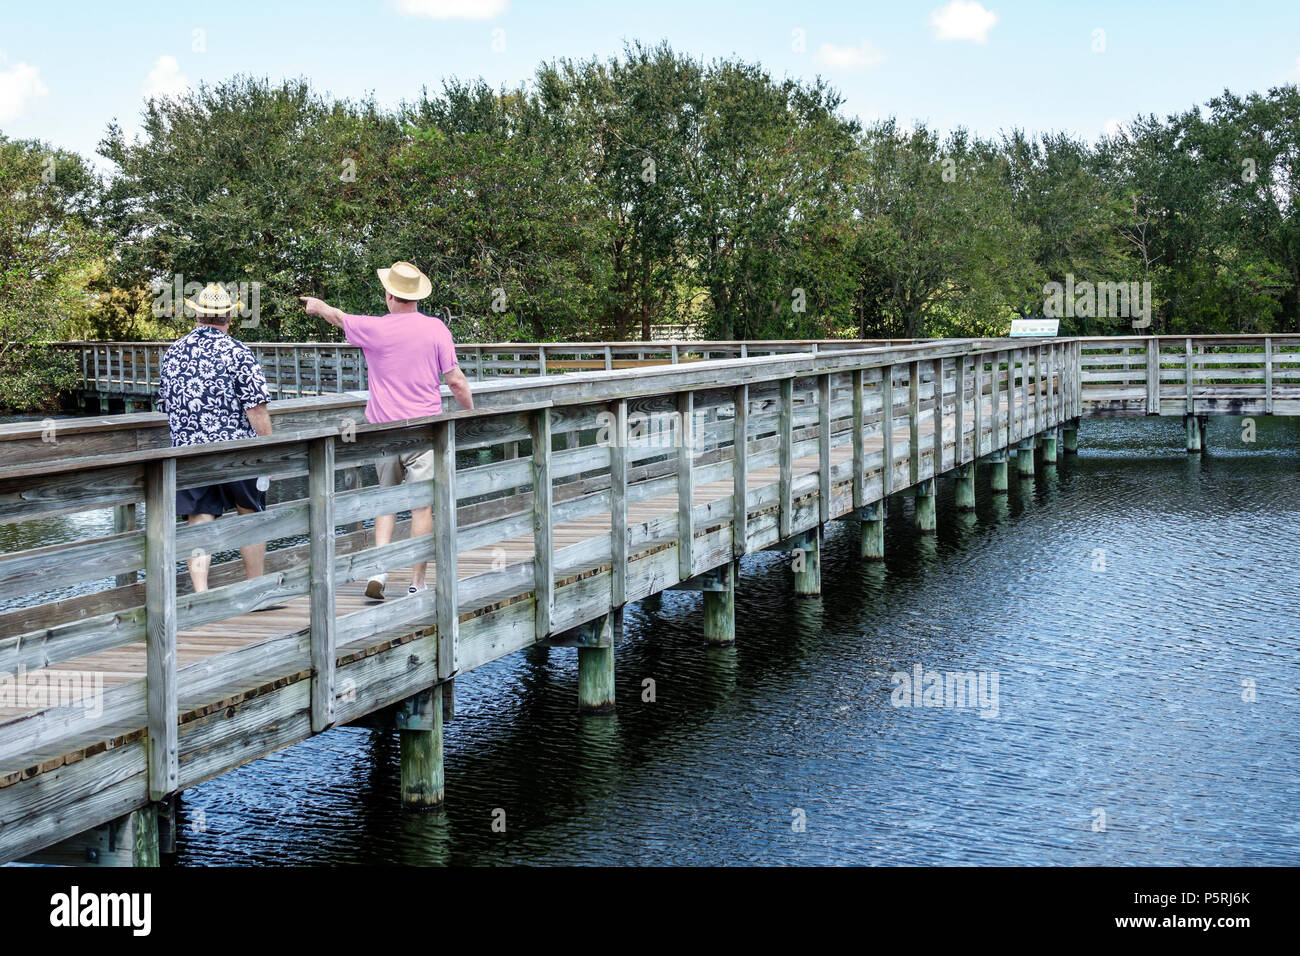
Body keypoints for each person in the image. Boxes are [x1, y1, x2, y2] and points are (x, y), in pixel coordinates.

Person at [300, 261, 474, 601]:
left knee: (386, 500)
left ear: (389, 294)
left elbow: (338, 317)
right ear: (417, 297)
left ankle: (379, 568)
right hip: (425, 431)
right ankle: (416, 582)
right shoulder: (436, 329)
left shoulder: (375, 329)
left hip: (384, 432)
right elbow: (456, 381)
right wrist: (470, 417)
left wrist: (318, 307)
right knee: (422, 508)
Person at [157, 282, 274, 592]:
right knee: (249, 514)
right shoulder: (239, 352)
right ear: (228, 318)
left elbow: (166, 405)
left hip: (190, 453)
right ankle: (254, 590)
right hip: (237, 450)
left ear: (196, 317)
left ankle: (201, 594)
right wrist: (270, 452)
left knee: (199, 517)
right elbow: (257, 410)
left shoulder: (173, 353)